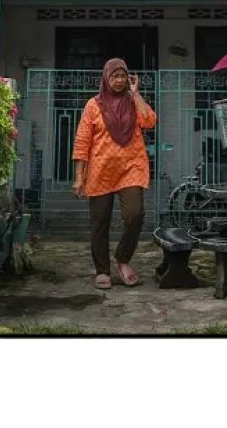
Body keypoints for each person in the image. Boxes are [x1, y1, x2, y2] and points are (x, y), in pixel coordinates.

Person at [71, 58, 158, 289]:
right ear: (106, 78)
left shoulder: (132, 102)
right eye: (114, 76)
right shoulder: (93, 105)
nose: (119, 81)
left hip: (131, 168)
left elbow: (150, 121)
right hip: (100, 170)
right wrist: (79, 176)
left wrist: (136, 94)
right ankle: (102, 270)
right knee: (100, 222)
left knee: (135, 214)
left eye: (123, 76)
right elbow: (82, 142)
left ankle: (123, 258)